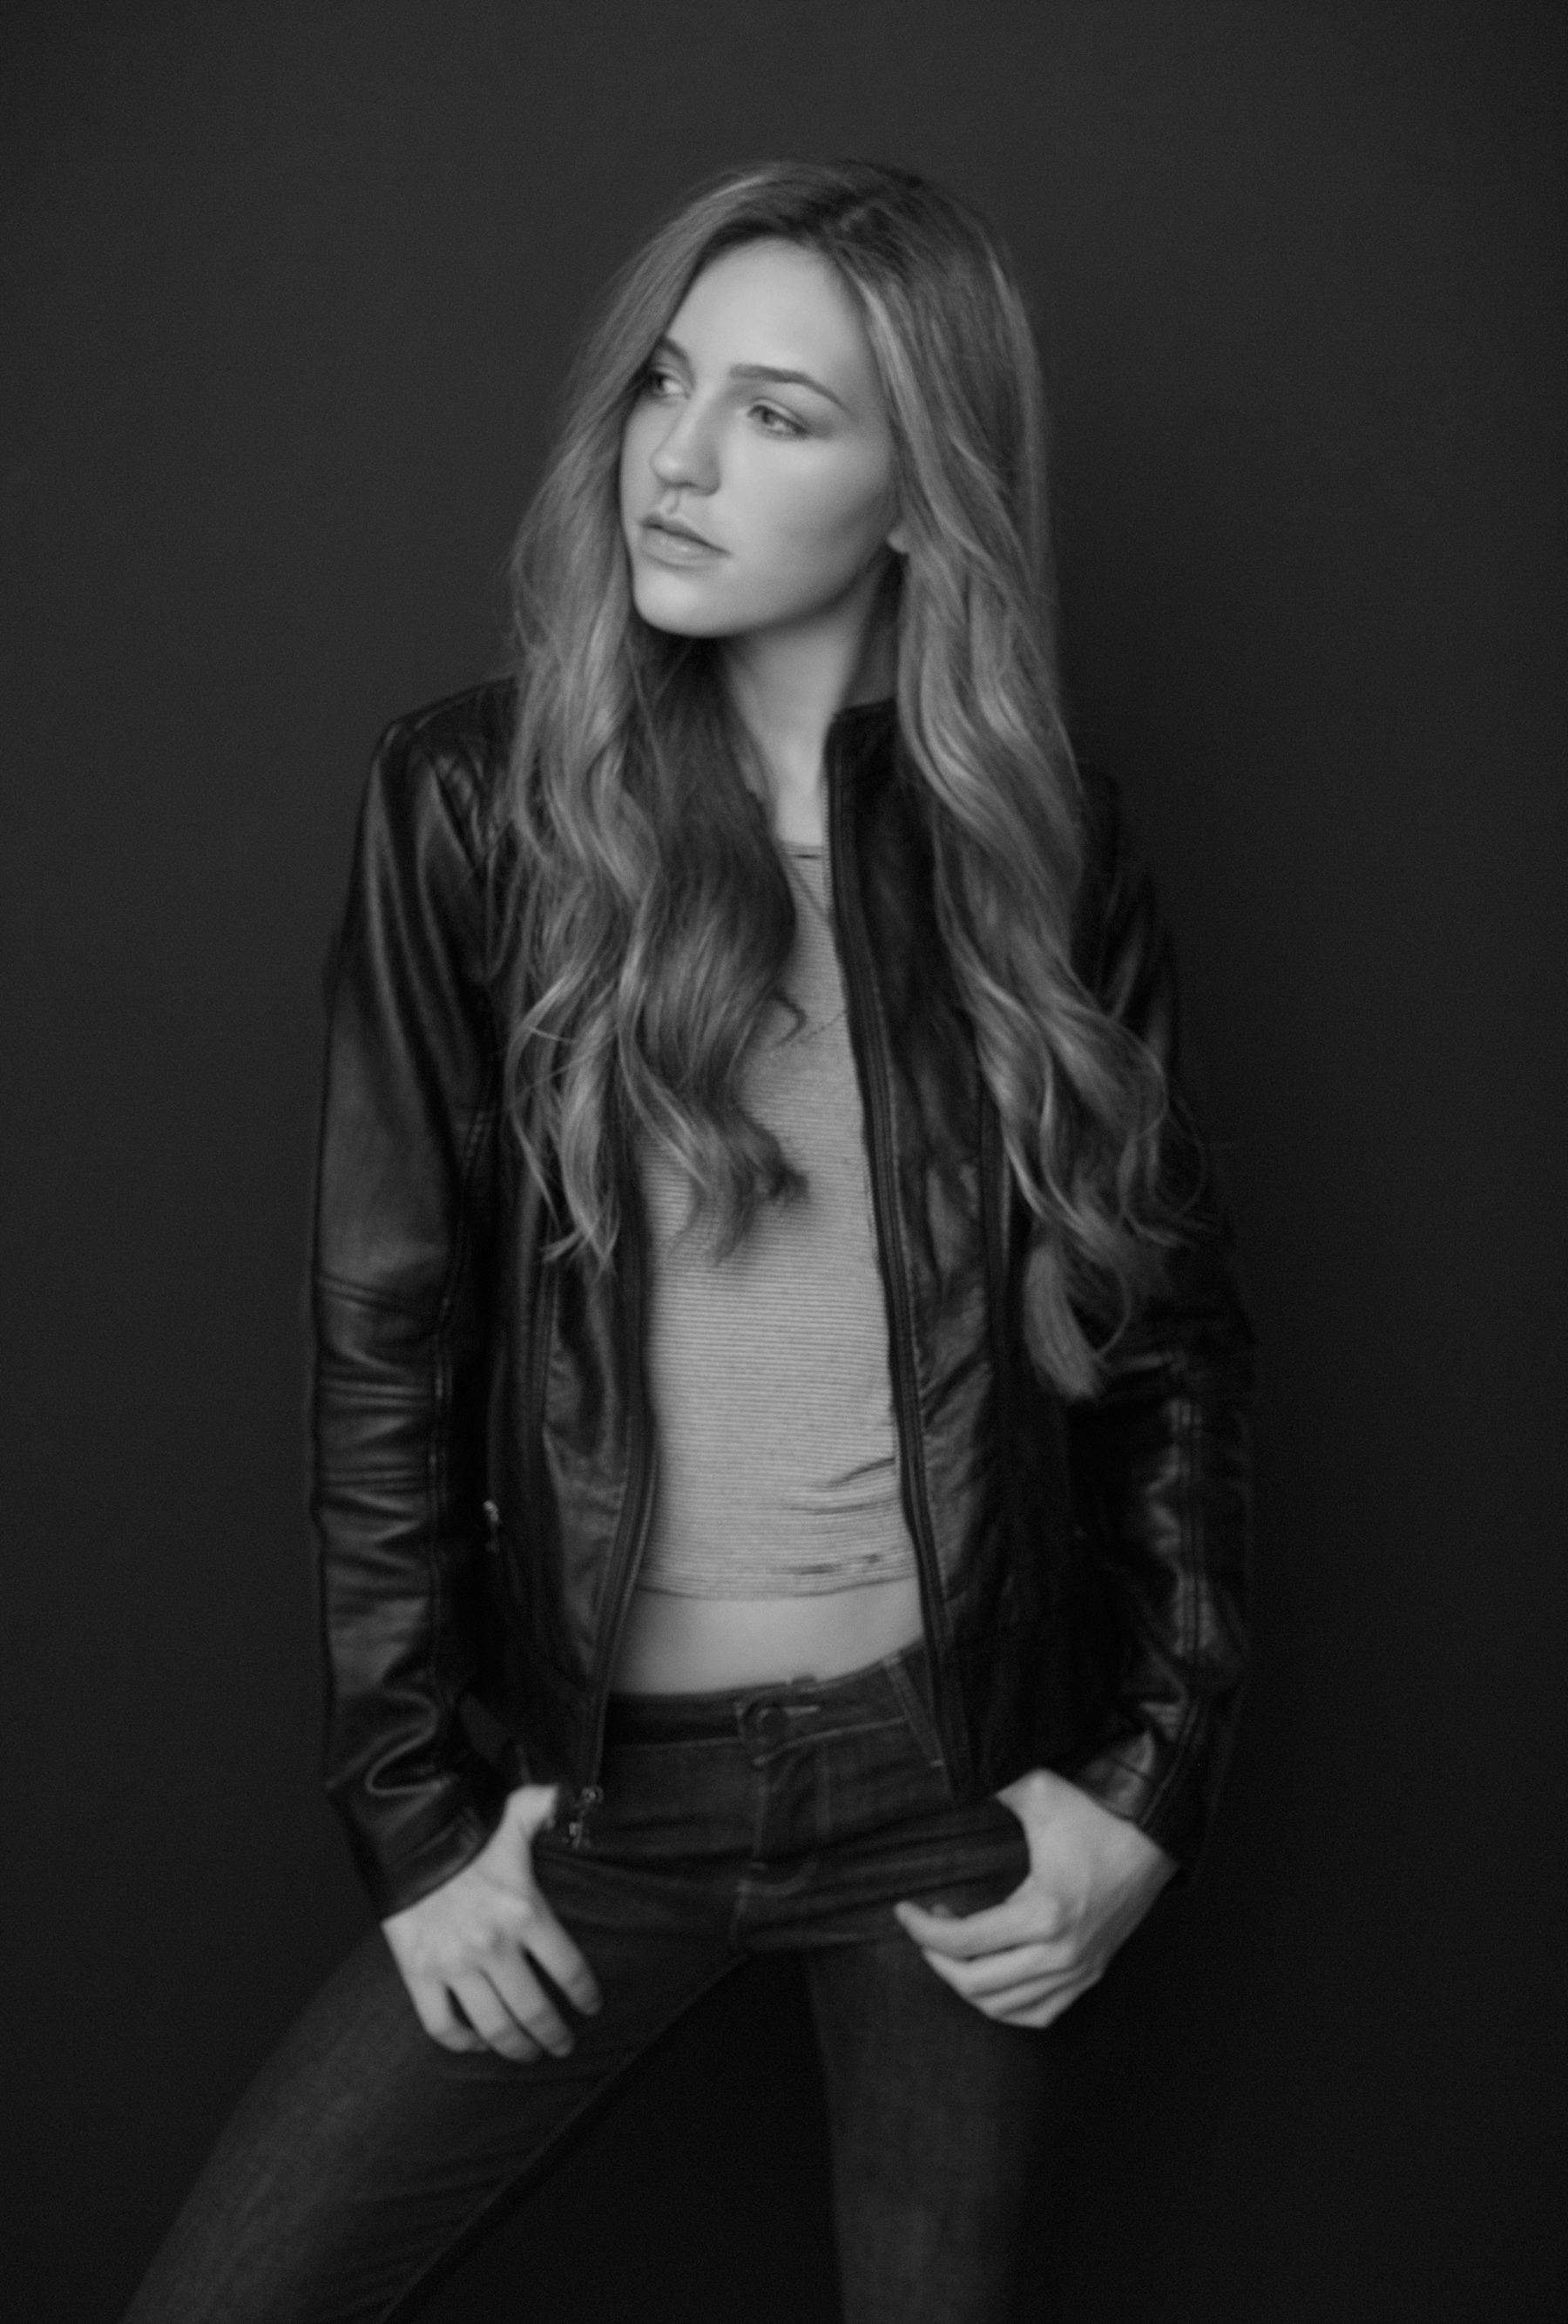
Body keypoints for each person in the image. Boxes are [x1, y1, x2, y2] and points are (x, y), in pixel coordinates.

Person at [125, 158, 1253, 2324]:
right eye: (666, 383)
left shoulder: (1045, 848)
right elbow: (383, 1335)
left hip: (948, 1788)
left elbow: (1169, 1338)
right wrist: (417, 1825)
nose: (681, 455)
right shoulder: (478, 805)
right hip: (592, 1801)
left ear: (924, 492)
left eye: (781, 412)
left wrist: (1149, 1781)